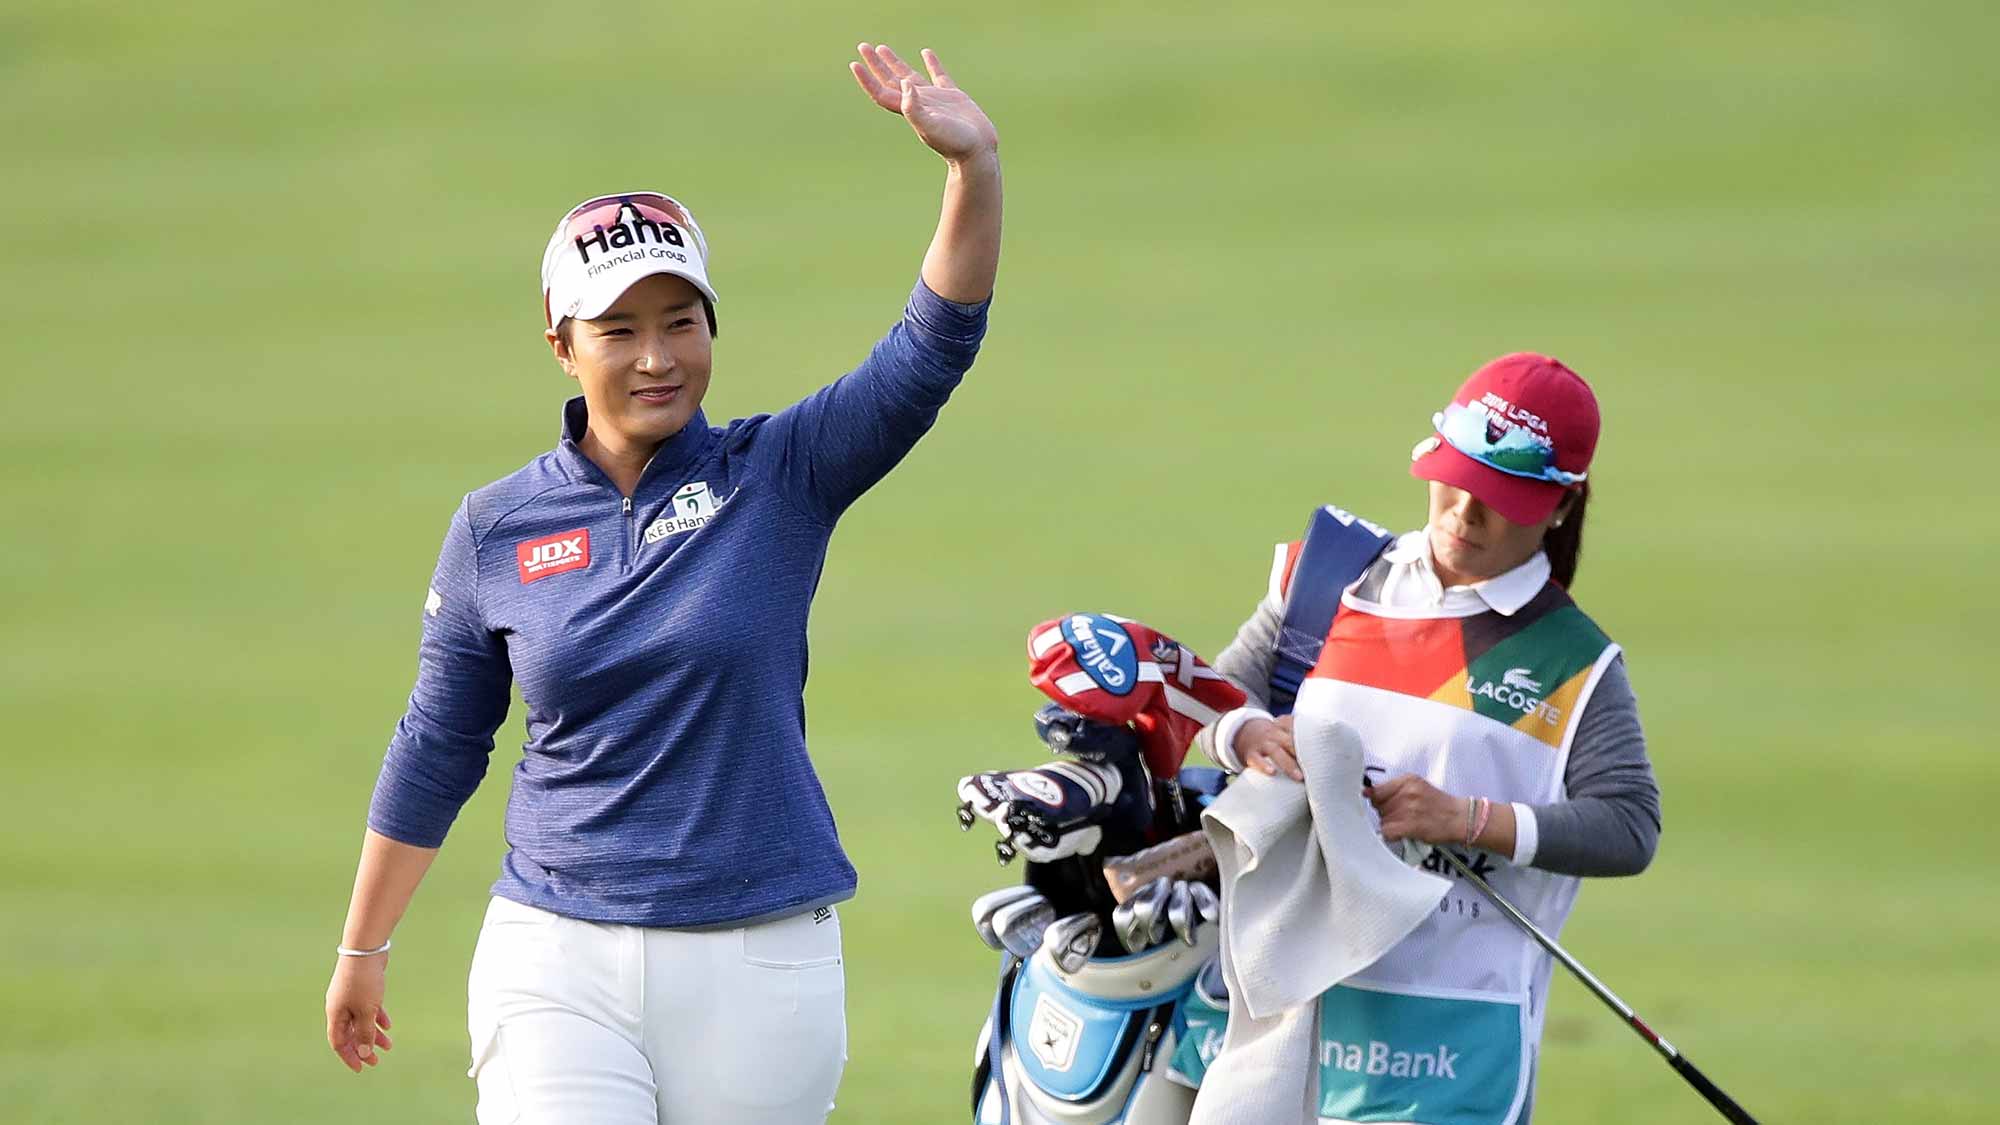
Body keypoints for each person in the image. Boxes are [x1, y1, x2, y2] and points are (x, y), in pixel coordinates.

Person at [321, 43, 1001, 1125]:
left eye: (680, 322)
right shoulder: (496, 528)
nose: (655, 357)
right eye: (618, 330)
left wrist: (974, 169)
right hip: (554, 954)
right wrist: (363, 946)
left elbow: (928, 349)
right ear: (560, 346)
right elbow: (439, 742)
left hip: (759, 958)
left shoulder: (780, 473)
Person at [1193, 353, 1662, 1123]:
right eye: (1456, 479)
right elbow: (1218, 696)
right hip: (1281, 1014)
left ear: (1559, 507)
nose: (1463, 514)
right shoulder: (1330, 575)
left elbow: (1629, 824)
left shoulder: (1576, 661)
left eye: (1499, 498)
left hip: (1448, 1043)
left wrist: (1465, 818)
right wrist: (1245, 734)